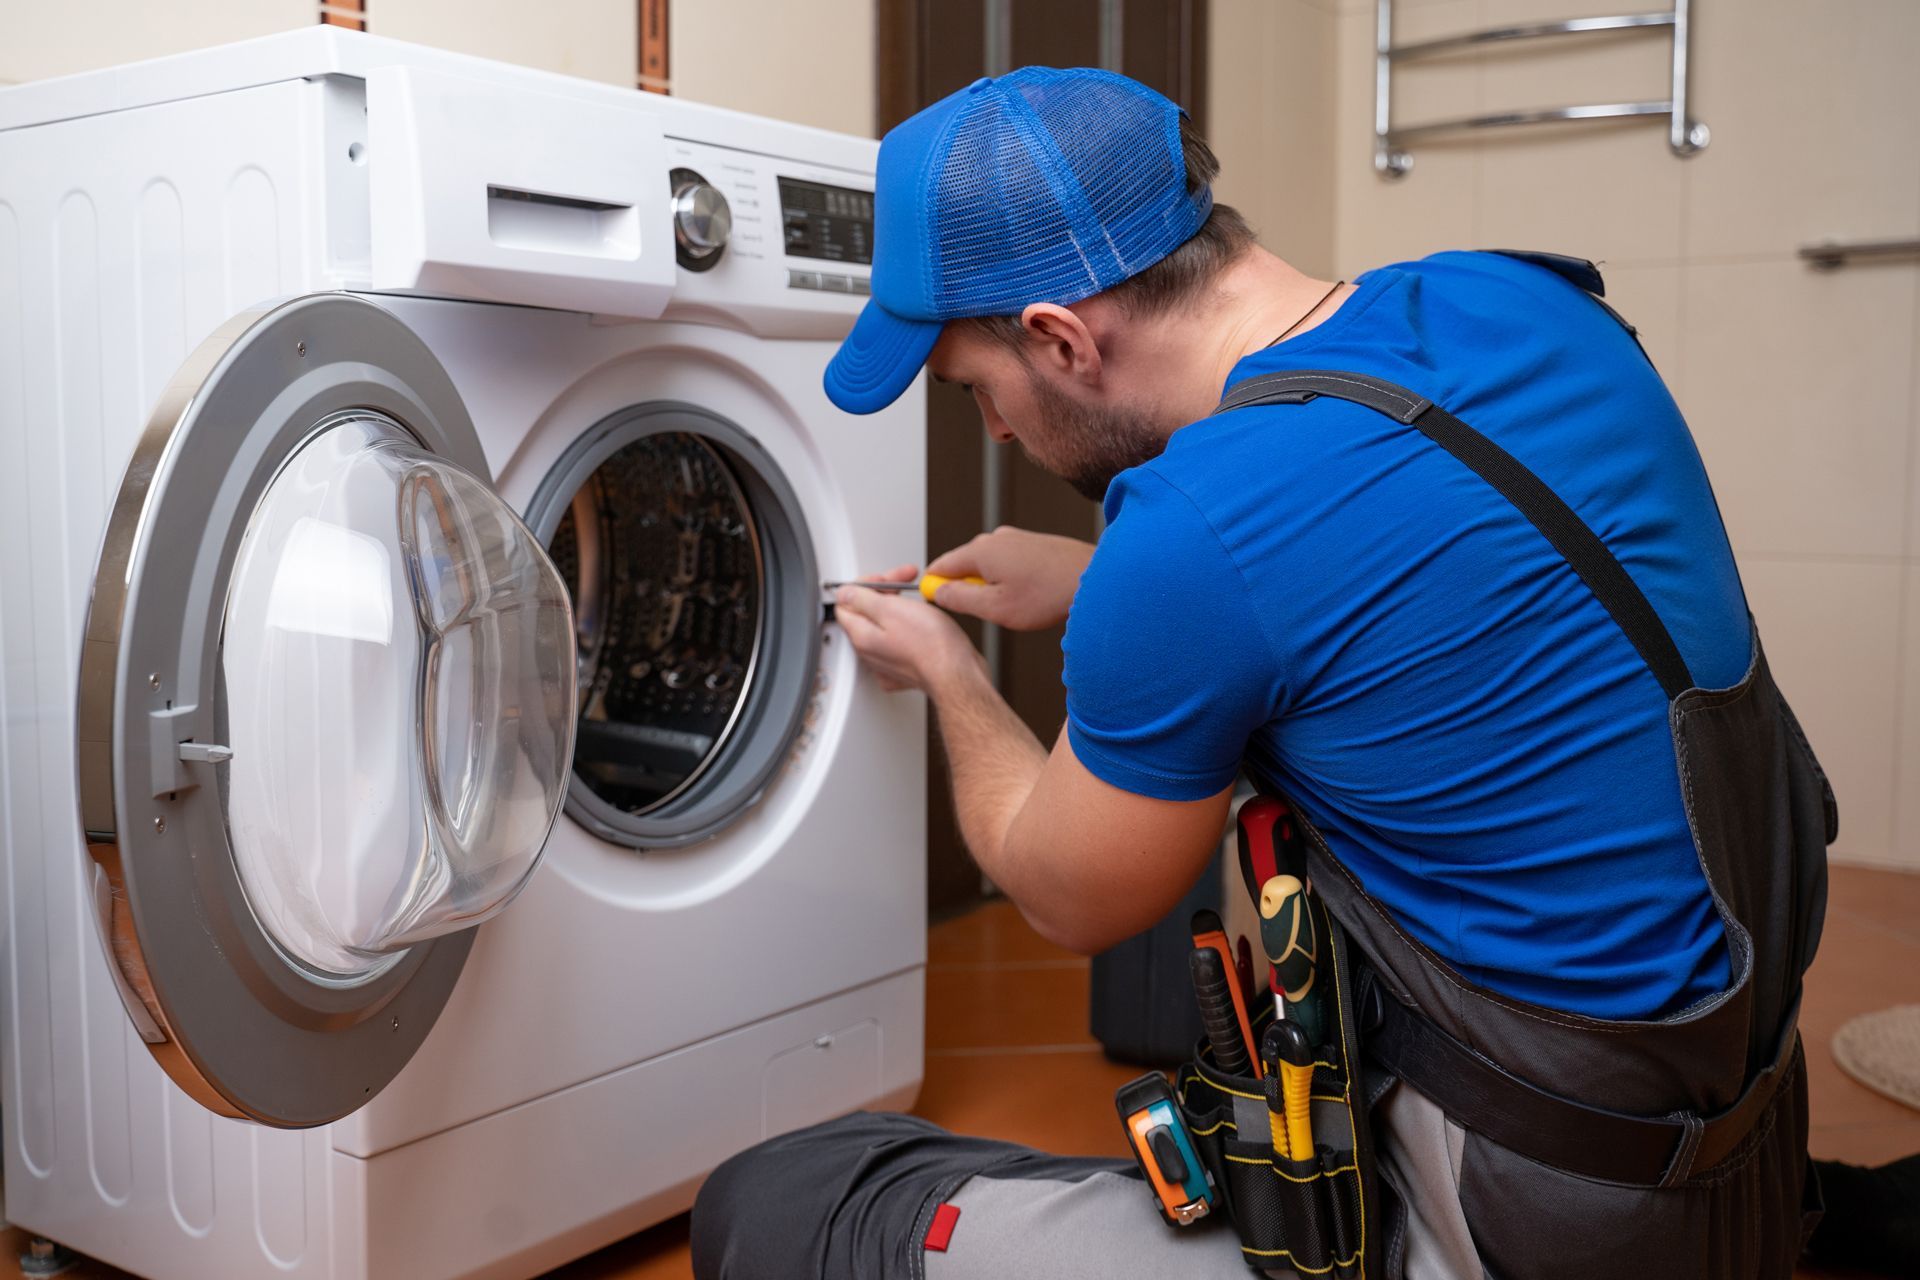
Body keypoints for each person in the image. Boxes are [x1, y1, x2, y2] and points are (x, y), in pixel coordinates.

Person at [690, 67, 1863, 1279]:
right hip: (1740, 1155)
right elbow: (1438, 592)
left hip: (1528, 1211)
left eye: (977, 389)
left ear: (1059, 338)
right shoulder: (1518, 301)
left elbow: (1062, 892)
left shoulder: (1194, 530)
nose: (994, 431)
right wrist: (1098, 582)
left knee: (783, 1202)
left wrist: (952, 673)